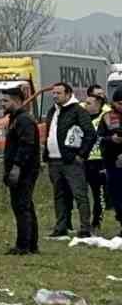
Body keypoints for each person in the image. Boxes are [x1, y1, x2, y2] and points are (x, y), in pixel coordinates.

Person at [45, 82, 95, 237]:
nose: (55, 96)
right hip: (54, 160)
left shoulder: (77, 111)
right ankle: (61, 226)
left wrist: (81, 154)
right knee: (59, 195)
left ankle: (85, 228)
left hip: (71, 161)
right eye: (53, 93)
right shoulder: (53, 110)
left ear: (68, 94)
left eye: (58, 93)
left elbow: (90, 133)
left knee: (79, 194)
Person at [2, 87, 42, 254]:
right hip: (20, 169)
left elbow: (27, 145)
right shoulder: (15, 119)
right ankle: (30, 243)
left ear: (16, 101)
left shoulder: (24, 120)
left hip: (25, 170)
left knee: (22, 206)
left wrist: (17, 167)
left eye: (5, 101)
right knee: (24, 206)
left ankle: (24, 245)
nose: (2, 104)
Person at [84, 92, 109, 231]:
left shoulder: (104, 118)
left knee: (98, 193)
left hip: (99, 161)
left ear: (98, 105)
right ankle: (85, 221)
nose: (85, 105)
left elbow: (107, 137)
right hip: (84, 160)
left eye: (89, 103)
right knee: (83, 193)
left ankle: (97, 221)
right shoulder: (83, 118)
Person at [98, 106, 122, 236]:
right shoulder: (108, 117)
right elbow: (100, 137)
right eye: (119, 102)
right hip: (112, 163)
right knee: (116, 196)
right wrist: (111, 139)